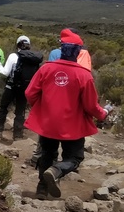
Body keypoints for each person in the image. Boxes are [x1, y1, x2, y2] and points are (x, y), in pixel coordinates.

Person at [25, 30, 110, 199]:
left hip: (48, 122)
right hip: (73, 126)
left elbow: (30, 93)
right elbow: (90, 105)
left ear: (62, 49)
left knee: (47, 154)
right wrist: (104, 113)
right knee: (75, 157)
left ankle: (42, 189)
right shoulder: (84, 75)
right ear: (78, 52)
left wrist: (43, 108)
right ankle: (57, 171)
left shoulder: (46, 69)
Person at [0, 36, 42, 141]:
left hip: (11, 87)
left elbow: (5, 72)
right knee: (20, 112)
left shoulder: (13, 56)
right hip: (25, 88)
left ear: (17, 45)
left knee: (3, 107)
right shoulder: (33, 58)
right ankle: (18, 135)